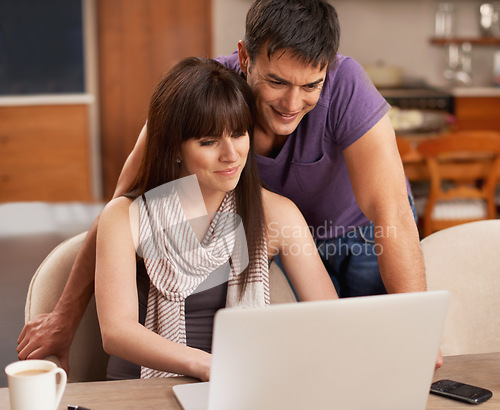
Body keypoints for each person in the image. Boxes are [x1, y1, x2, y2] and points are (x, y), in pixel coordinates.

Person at [18, 0, 440, 372]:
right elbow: (123, 202)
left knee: (379, 358)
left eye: (310, 86)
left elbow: (393, 215)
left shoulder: (345, 86)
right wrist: (65, 314)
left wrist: (417, 329)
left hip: (365, 232)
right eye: (276, 82)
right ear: (245, 58)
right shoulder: (206, 97)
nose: (293, 104)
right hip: (285, 237)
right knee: (309, 350)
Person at [95, 57, 337, 380]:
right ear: (175, 147)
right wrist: (204, 365)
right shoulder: (124, 217)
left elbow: (332, 318)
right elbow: (116, 331)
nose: (230, 154)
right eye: (208, 141)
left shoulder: (275, 214)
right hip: (138, 394)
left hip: (234, 390)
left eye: (238, 134)